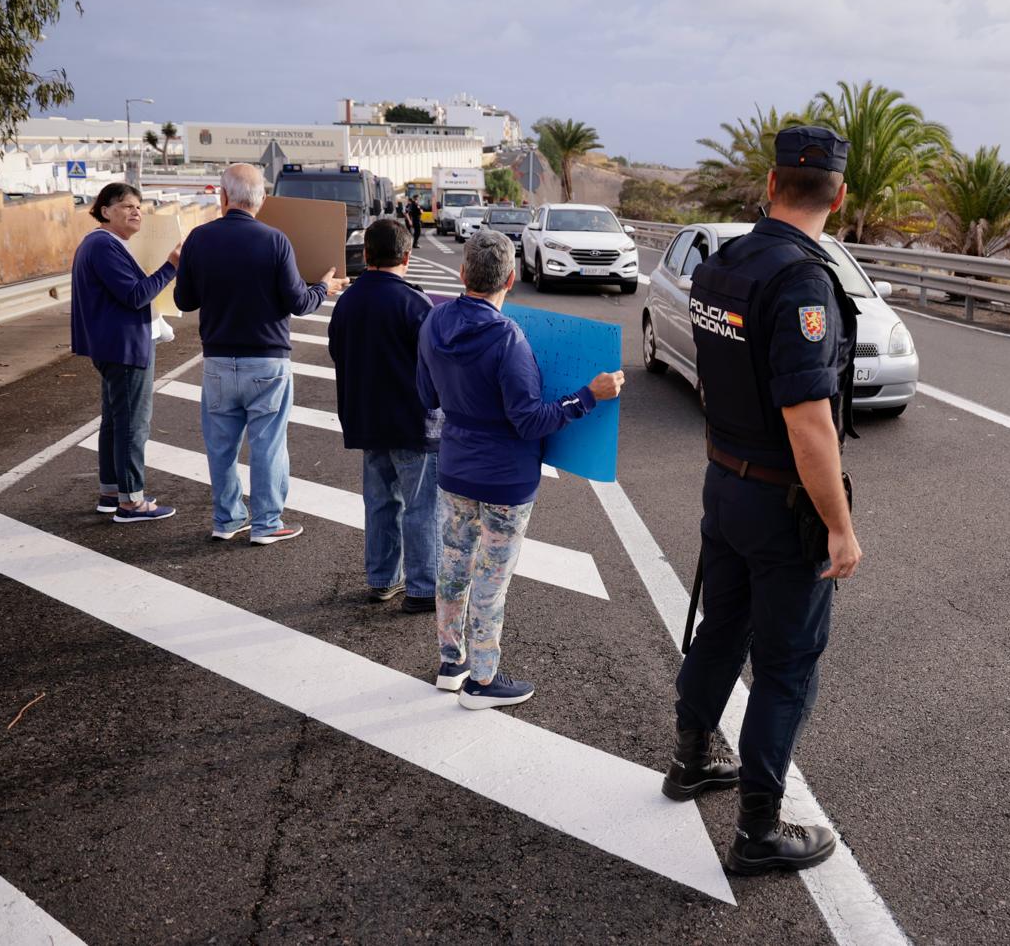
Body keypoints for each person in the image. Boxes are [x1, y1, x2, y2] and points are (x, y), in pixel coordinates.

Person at [663, 126, 861, 876]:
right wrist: (839, 529)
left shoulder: (727, 264)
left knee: (722, 629)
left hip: (725, 480)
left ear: (770, 186)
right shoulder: (805, 281)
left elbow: (716, 375)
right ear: (838, 198)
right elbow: (810, 423)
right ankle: (757, 833)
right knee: (786, 666)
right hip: (782, 503)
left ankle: (689, 761)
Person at [415, 231, 623, 708]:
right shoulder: (509, 339)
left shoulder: (433, 321)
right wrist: (588, 396)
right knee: (492, 576)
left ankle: (452, 662)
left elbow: (427, 397)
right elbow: (530, 421)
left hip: (454, 467)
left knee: (452, 564)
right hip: (506, 478)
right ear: (510, 278)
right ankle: (483, 683)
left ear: (463, 274)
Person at [173, 163, 344, 544]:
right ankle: (267, 523)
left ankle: (227, 518)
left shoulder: (199, 240)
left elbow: (184, 299)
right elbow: (299, 303)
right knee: (268, 445)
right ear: (262, 200)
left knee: (221, 447)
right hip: (268, 361)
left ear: (223, 196)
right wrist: (322, 287)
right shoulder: (274, 240)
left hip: (217, 361)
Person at [327, 218, 443, 604]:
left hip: (366, 419)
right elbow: (433, 367)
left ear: (365, 254)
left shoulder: (347, 302)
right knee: (421, 506)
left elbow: (336, 353)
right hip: (413, 423)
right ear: (406, 256)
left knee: (380, 502)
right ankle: (423, 586)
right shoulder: (415, 302)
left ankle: (381, 578)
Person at [69, 182, 182, 522]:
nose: (136, 211)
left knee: (116, 422)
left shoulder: (104, 244)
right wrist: (171, 266)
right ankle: (131, 502)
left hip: (112, 344)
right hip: (123, 346)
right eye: (126, 206)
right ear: (105, 211)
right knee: (133, 424)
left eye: (139, 206)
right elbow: (134, 296)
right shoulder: (104, 245)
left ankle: (110, 492)